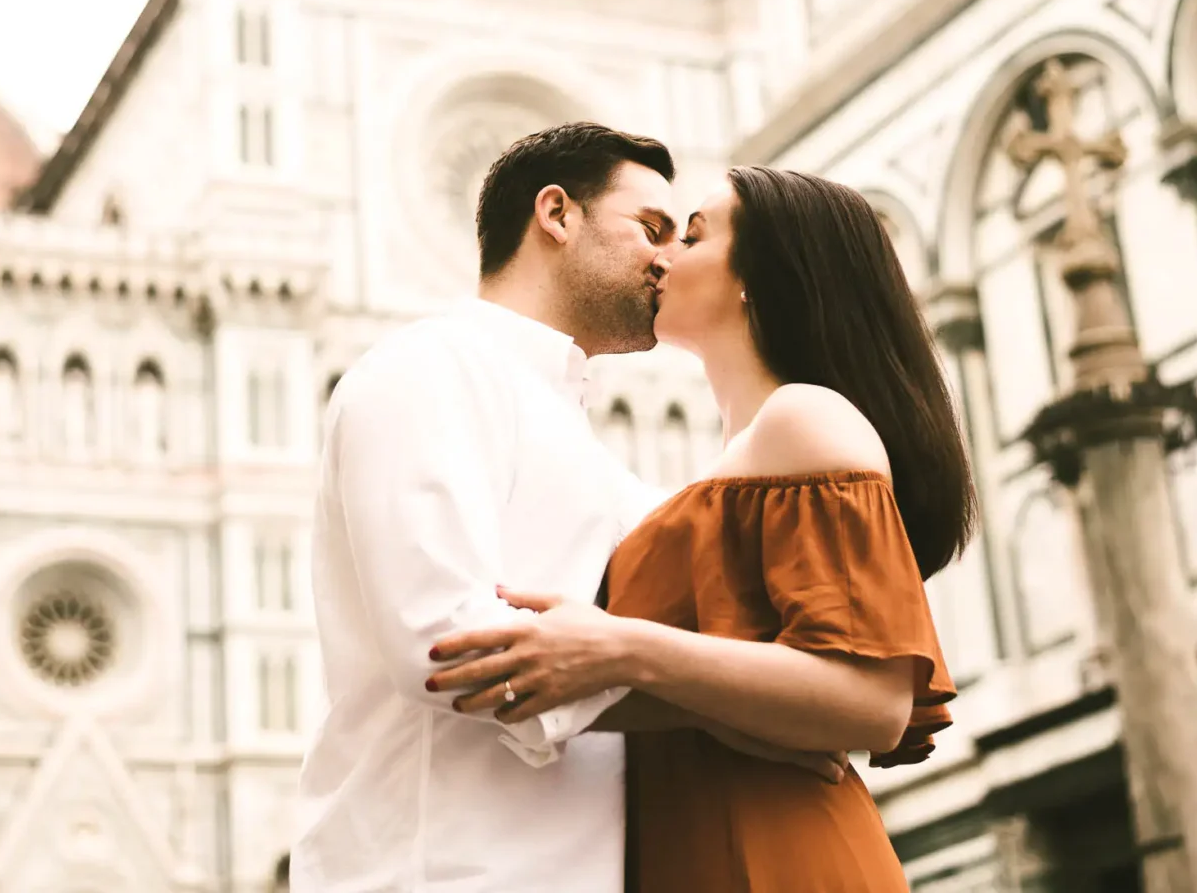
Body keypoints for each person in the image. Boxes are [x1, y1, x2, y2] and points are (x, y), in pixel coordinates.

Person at [290, 126, 843, 893]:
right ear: (556, 214)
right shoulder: (424, 370)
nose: (669, 259)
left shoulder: (594, 452)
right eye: (650, 229)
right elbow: (449, 648)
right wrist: (722, 706)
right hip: (441, 871)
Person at [429, 167, 978, 891]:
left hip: (777, 853)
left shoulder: (804, 418)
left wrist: (621, 647)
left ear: (760, 277)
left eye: (692, 235)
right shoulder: (738, 459)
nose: (662, 256)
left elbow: (873, 703)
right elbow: (723, 694)